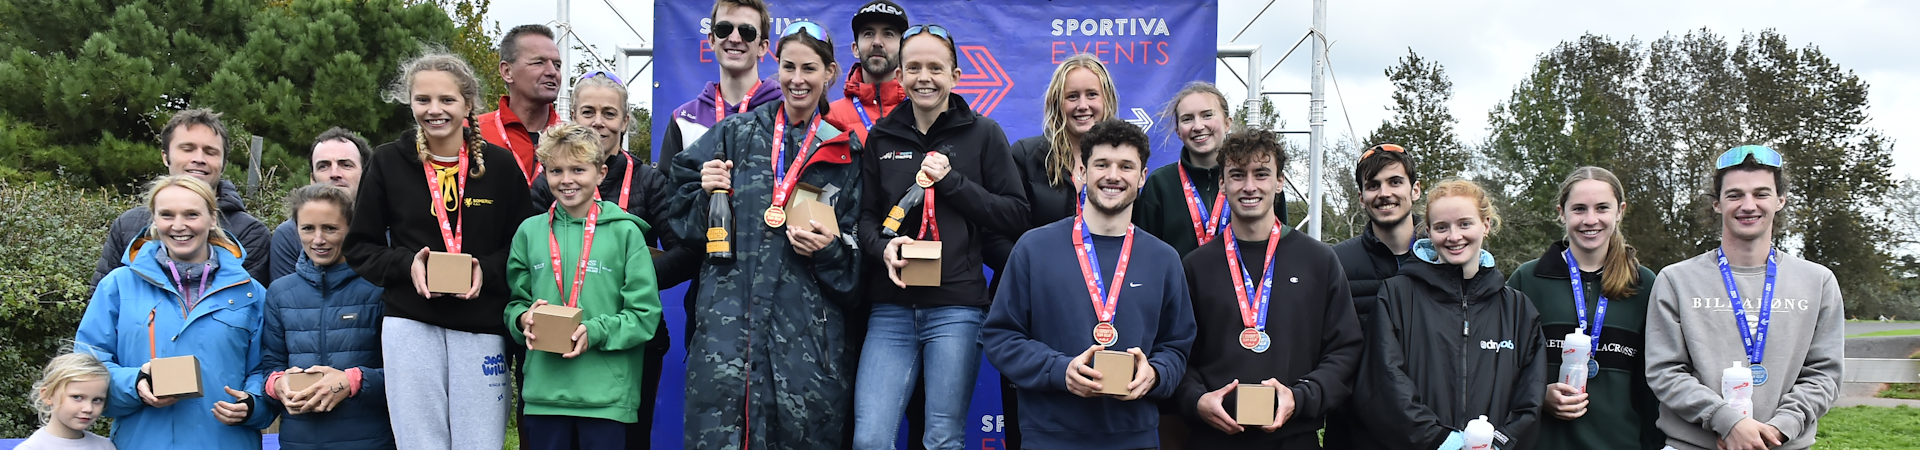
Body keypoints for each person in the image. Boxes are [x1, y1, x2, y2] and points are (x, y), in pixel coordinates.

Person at [663, 21, 863, 450]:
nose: (797, 79)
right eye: (788, 67)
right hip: (726, 338)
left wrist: (828, 251)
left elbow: (857, 263)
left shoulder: (844, 153)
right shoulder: (733, 135)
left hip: (807, 349)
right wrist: (704, 192)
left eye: (809, 68)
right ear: (776, 65)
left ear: (829, 72)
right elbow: (679, 224)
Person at [345, 52, 540, 450]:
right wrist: (406, 265)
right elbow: (360, 247)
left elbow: (524, 248)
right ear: (410, 102)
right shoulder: (387, 161)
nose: (434, 110)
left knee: (480, 443)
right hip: (411, 325)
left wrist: (485, 271)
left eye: (447, 100)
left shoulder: (502, 167)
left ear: (468, 104)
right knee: (419, 443)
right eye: (423, 100)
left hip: (482, 326)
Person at [854, 23, 1028, 450]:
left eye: (935, 67)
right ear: (899, 75)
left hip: (957, 309)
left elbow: (1015, 214)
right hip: (891, 309)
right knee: (871, 439)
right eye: (913, 67)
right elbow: (865, 218)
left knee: (942, 439)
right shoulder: (882, 135)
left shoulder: (984, 134)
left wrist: (953, 184)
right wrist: (883, 247)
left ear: (956, 75)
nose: (924, 77)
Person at [981, 118, 1196, 450]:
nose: (1113, 175)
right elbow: (1001, 336)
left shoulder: (1164, 259)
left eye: (1126, 166)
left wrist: (1155, 374)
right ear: (1081, 172)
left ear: (1141, 178)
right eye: (1101, 164)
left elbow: (1177, 346)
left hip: (1134, 437)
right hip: (1049, 437)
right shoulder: (1033, 248)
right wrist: (1060, 370)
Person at [531, 71, 699, 450]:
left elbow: (687, 252)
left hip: (633, 341)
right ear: (572, 115)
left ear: (625, 121)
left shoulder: (649, 182)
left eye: (610, 113)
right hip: (559, 338)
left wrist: (625, 277)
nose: (598, 122)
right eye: (587, 111)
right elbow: (526, 258)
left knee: (628, 442)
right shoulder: (548, 183)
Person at [1646, 146, 1843, 450]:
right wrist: (1727, 421)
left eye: (1761, 194)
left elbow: (1825, 374)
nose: (1748, 205)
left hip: (1783, 444)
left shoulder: (1817, 282)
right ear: (1717, 203)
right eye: (1735, 195)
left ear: (1780, 200)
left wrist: (1778, 429)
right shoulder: (1676, 280)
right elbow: (1665, 371)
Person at [1175, 129, 1361, 449]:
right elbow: (1177, 351)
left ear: (1279, 182)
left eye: (1261, 174)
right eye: (1237, 175)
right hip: (1213, 439)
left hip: (1294, 439)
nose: (1249, 186)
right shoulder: (1194, 266)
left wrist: (1301, 397)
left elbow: (1345, 350)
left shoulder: (1319, 261)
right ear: (1222, 183)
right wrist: (1196, 400)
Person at [75, 175, 275, 449]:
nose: (179, 226)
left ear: (212, 218)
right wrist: (133, 384)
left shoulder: (251, 293)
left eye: (191, 214)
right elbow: (87, 365)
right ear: (154, 220)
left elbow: (267, 368)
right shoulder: (118, 286)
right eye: (167, 215)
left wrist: (252, 404)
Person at [985, 54, 1120, 449]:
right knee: (1029, 430)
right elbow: (994, 237)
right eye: (1071, 96)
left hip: (1105, 315)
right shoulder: (1026, 156)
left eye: (1091, 94)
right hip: (1034, 317)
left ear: (1107, 98)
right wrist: (1045, 280)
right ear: (1056, 103)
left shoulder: (1122, 160)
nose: (1082, 105)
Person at [1351, 179, 1545, 450]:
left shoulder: (1518, 308)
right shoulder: (1396, 295)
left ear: (1485, 225)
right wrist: (1444, 441)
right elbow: (1382, 382)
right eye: (1442, 227)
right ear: (1428, 231)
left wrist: (1499, 443)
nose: (1454, 237)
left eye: (1465, 224)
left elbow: (1531, 394)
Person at [506, 124, 665, 450]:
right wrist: (522, 319)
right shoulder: (529, 232)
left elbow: (644, 315)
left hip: (605, 397)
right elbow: (514, 303)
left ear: (600, 172)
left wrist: (595, 331)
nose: (566, 180)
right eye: (556, 170)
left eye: (578, 169)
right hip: (544, 396)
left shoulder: (625, 233)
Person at [1506, 167, 1663, 450]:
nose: (1591, 220)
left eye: (1602, 208)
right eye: (1579, 209)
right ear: (1562, 213)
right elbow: (1501, 367)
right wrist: (1538, 395)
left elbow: (1654, 383)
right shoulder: (1528, 280)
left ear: (1620, 211)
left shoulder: (1645, 284)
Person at [261, 184, 393, 450]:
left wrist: (354, 380)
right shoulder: (279, 293)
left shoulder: (381, 288)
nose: (318, 239)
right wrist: (277, 385)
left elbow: (405, 374)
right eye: (308, 228)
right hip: (298, 441)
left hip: (370, 441)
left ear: (351, 229)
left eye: (330, 229)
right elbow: (269, 364)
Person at [92, 109, 269, 287]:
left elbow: (246, 305)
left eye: (210, 152)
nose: (199, 159)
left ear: (224, 164)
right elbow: (103, 300)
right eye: (187, 149)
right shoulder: (127, 226)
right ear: (165, 157)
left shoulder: (250, 233)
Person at [1323, 142, 1422, 449]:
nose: (1384, 193)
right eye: (1373, 185)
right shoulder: (1334, 262)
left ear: (1415, 190)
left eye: (1395, 182)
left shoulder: (1446, 257)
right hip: (1355, 432)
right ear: (1361, 198)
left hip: (1431, 427)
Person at [1136, 81, 1282, 256]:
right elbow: (1144, 252)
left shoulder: (1258, 182)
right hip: (1180, 283)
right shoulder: (1160, 183)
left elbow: (1279, 243)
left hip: (1250, 283)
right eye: (1187, 119)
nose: (1198, 126)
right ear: (1178, 131)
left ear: (1227, 123)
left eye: (1207, 115)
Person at [660, 0, 785, 166]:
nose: (734, 38)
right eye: (724, 29)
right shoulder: (684, 120)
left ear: (762, 46)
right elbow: (669, 190)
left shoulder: (785, 113)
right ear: (712, 40)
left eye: (746, 31)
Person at [269, 128, 372, 282]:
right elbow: (288, 298)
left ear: (366, 174)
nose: (335, 173)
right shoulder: (289, 235)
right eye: (323, 166)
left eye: (346, 165)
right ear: (312, 179)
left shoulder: (388, 229)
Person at [480, 24, 565, 185]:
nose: (552, 71)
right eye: (538, 62)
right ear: (507, 72)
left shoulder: (573, 138)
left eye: (557, 65)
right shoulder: (472, 133)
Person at [823, 0, 909, 144]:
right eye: (868, 34)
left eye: (888, 34)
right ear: (855, 48)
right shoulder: (830, 117)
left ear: (903, 49)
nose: (877, 42)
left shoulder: (922, 111)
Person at [19, 352, 115, 450]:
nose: (88, 408)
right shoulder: (32, 448)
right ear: (48, 395)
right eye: (77, 397)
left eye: (97, 400)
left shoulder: (105, 446)